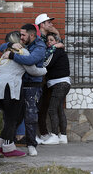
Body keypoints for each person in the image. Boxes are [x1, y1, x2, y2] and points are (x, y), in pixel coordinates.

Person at [0, 31, 47, 157]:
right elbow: (32, 70)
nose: (24, 39)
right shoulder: (22, 52)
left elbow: (2, 46)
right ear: (18, 41)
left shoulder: (6, 52)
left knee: (15, 117)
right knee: (12, 119)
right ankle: (8, 148)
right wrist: (44, 69)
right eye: (21, 37)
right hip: (10, 89)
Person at [34, 13, 65, 144]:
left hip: (47, 78)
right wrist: (54, 46)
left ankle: (43, 133)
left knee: (44, 106)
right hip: (37, 76)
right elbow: (44, 56)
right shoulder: (38, 38)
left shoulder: (47, 37)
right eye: (49, 22)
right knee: (35, 106)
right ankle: (34, 134)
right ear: (42, 24)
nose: (51, 24)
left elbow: (60, 46)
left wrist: (57, 33)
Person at [39, 32, 71, 145]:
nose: (49, 43)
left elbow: (45, 64)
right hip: (63, 83)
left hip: (60, 84)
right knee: (59, 109)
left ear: (57, 42)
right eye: (47, 41)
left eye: (51, 40)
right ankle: (63, 136)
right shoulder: (57, 50)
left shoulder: (55, 51)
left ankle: (54, 136)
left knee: (52, 109)